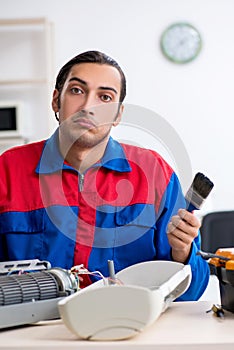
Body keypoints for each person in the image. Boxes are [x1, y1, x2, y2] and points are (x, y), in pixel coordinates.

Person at [0, 50, 209, 300]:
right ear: (56, 100)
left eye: (105, 97)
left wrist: (182, 251)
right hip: (31, 333)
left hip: (129, 329)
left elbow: (190, 294)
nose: (88, 107)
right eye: (77, 91)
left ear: (118, 115)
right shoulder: (7, 170)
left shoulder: (155, 174)